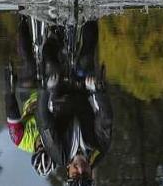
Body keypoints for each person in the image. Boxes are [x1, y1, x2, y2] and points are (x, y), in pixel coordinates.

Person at [35, 20, 113, 185]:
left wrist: (45, 89)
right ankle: (90, 8)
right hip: (83, 91)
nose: (81, 169)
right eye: (85, 174)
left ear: (68, 170)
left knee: (51, 64)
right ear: (92, 174)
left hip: (58, 96)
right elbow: (105, 118)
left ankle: (53, 35)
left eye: (76, 174)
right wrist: (98, 90)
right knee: (86, 56)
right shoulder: (99, 150)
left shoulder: (59, 153)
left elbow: (44, 122)